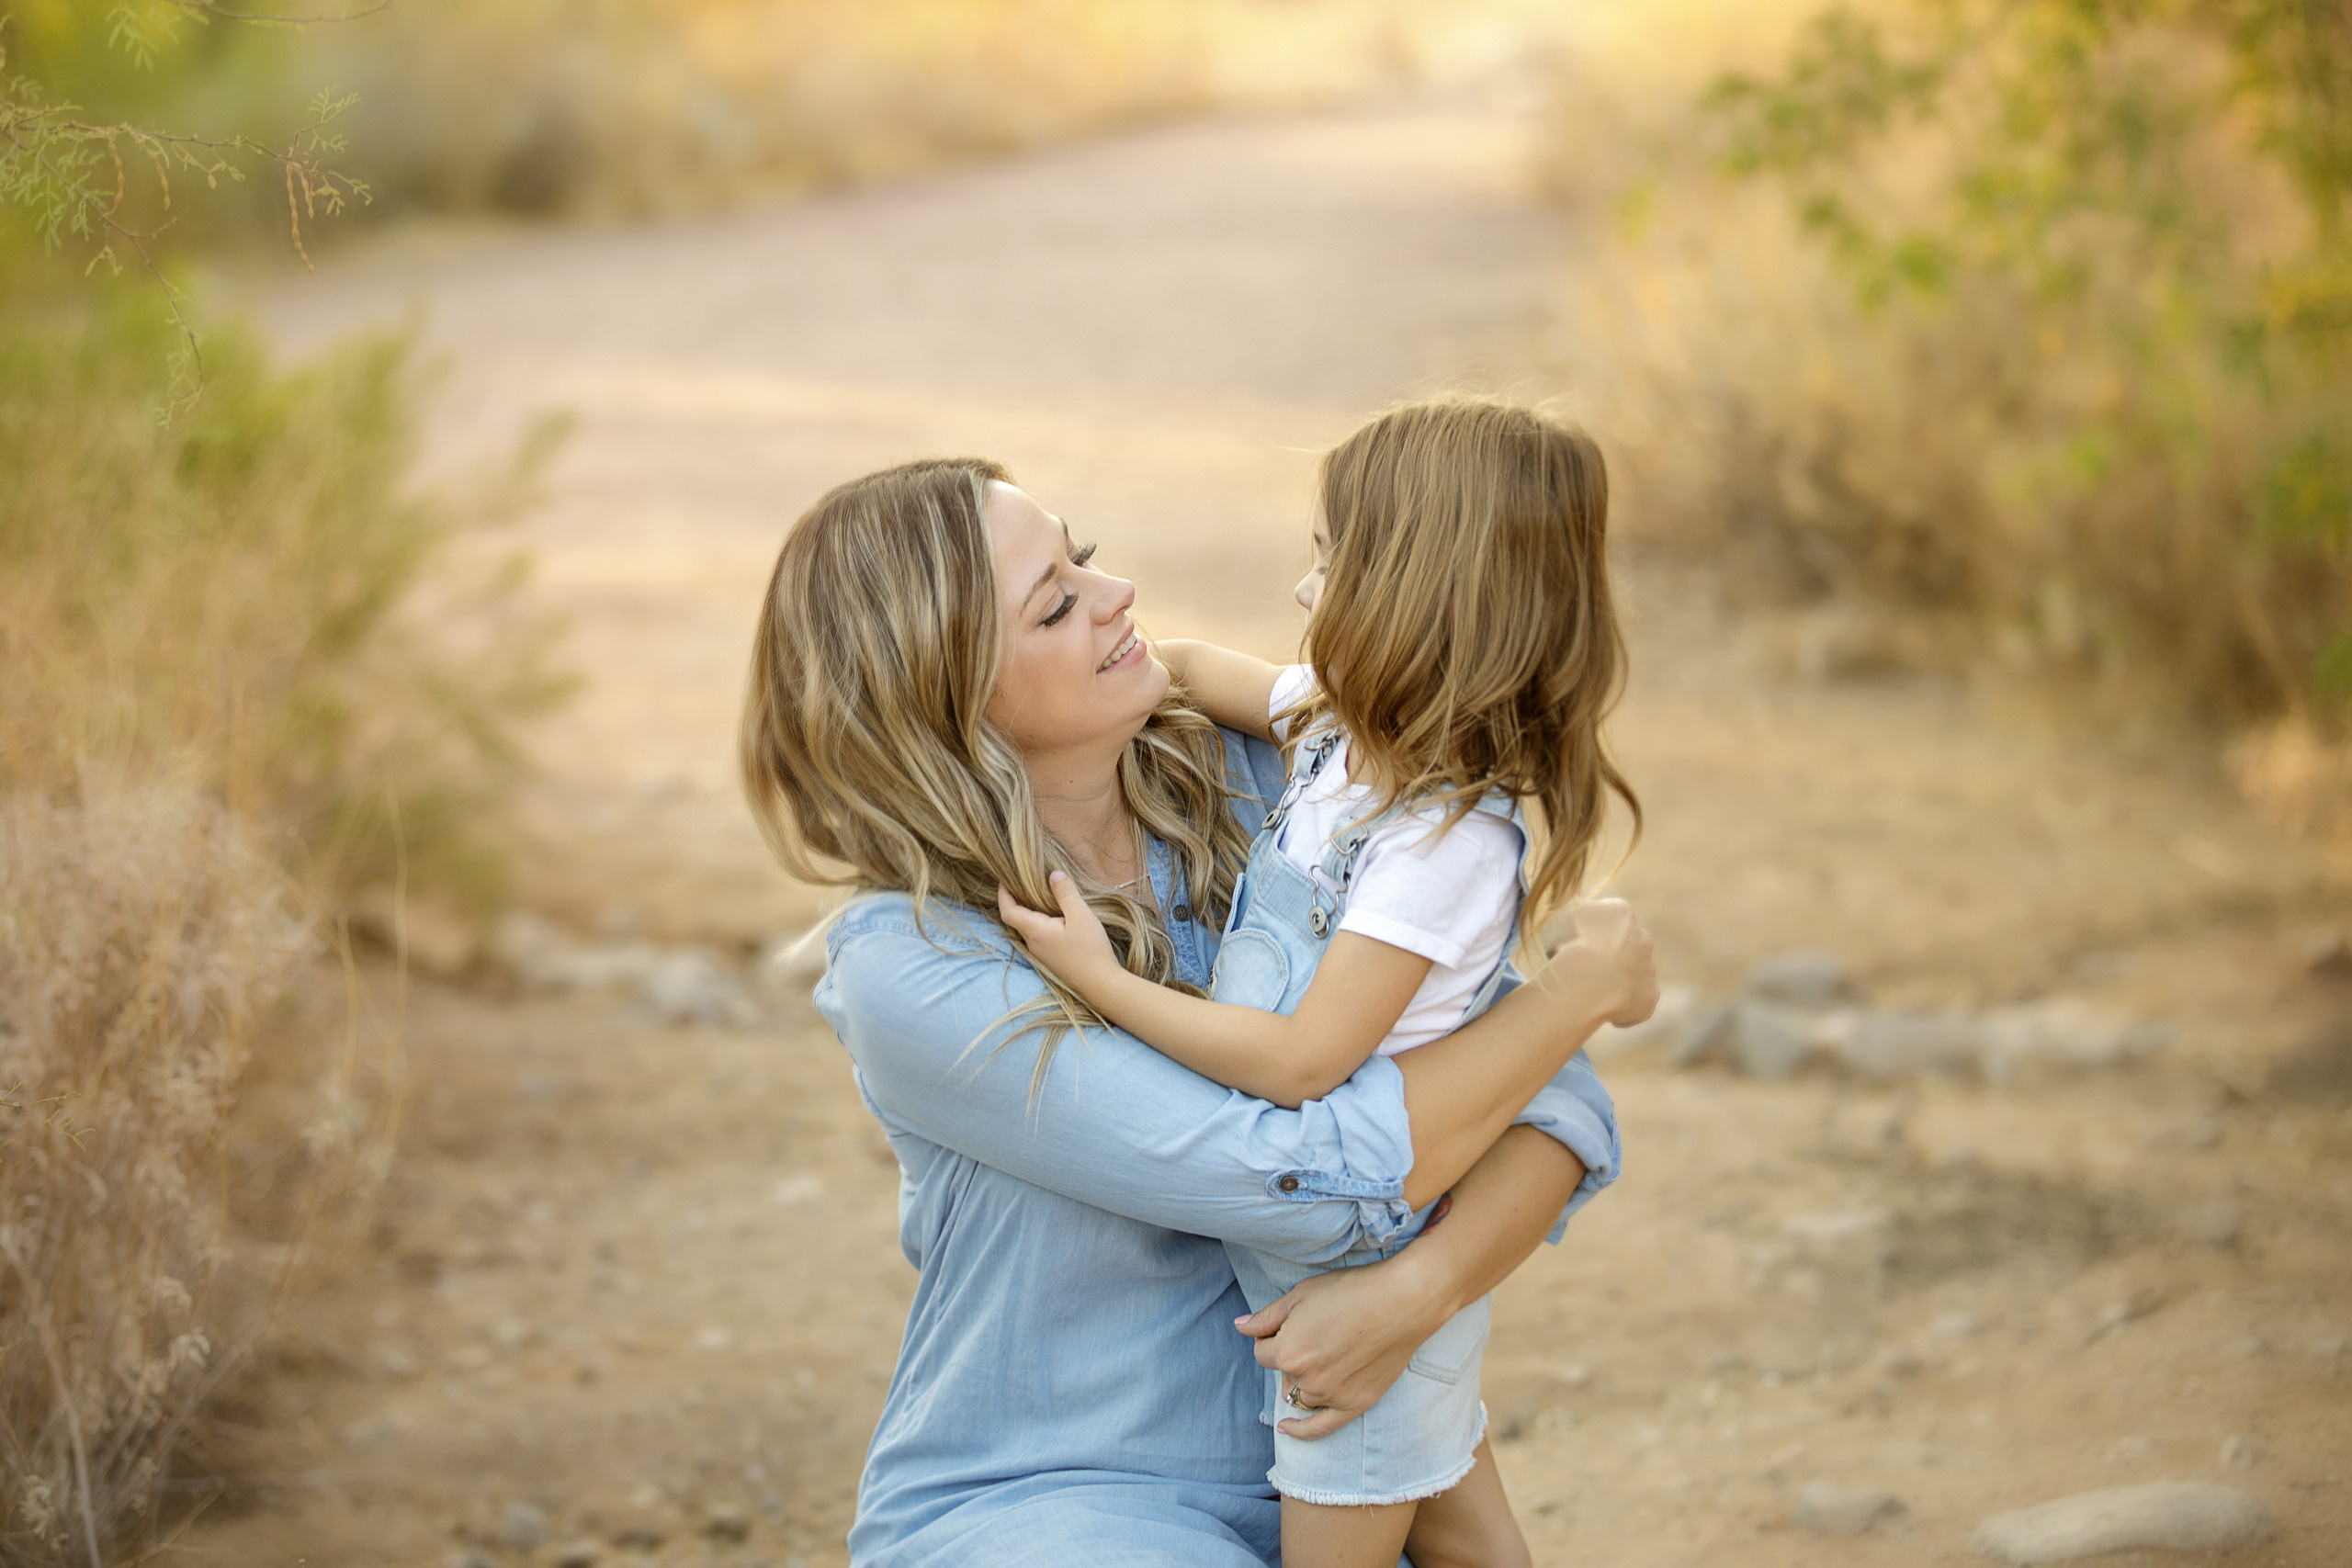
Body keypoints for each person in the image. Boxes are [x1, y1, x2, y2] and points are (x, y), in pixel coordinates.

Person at [739, 455, 1657, 1567]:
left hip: (1344, 1476)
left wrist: (1420, 1292)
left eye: (1084, 553)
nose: (1115, 593)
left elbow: (1551, 1104)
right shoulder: (916, 962)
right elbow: (1298, 1185)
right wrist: (1571, 995)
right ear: (946, 696)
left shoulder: (1279, 782)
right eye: (1056, 603)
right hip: (1060, 1506)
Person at [1000, 397, 1635, 1568]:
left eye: (1328, 561)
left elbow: (1302, 1063)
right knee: (1464, 1533)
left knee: (1363, 1526)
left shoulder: (1437, 844)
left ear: (1417, 599)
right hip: (1327, 1239)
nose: (1303, 593)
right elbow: (1186, 667)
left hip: (1362, 1253)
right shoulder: (1338, 731)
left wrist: (1100, 977)